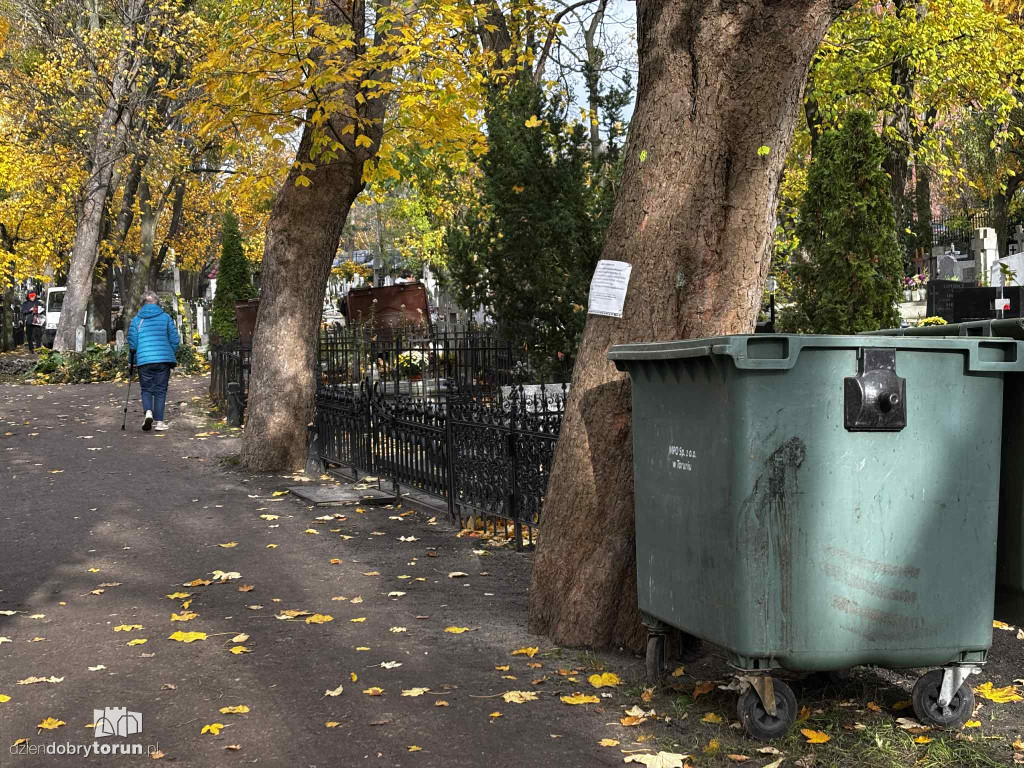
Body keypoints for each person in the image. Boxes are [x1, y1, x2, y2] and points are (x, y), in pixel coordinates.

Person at [127, 291, 180, 432]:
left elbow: (132, 344)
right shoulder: (166, 317)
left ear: (142, 304)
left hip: (144, 360)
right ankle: (160, 422)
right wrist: (170, 353)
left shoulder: (136, 320)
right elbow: (175, 340)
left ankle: (148, 412)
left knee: (146, 389)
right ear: (157, 303)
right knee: (161, 391)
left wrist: (131, 361)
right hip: (163, 360)